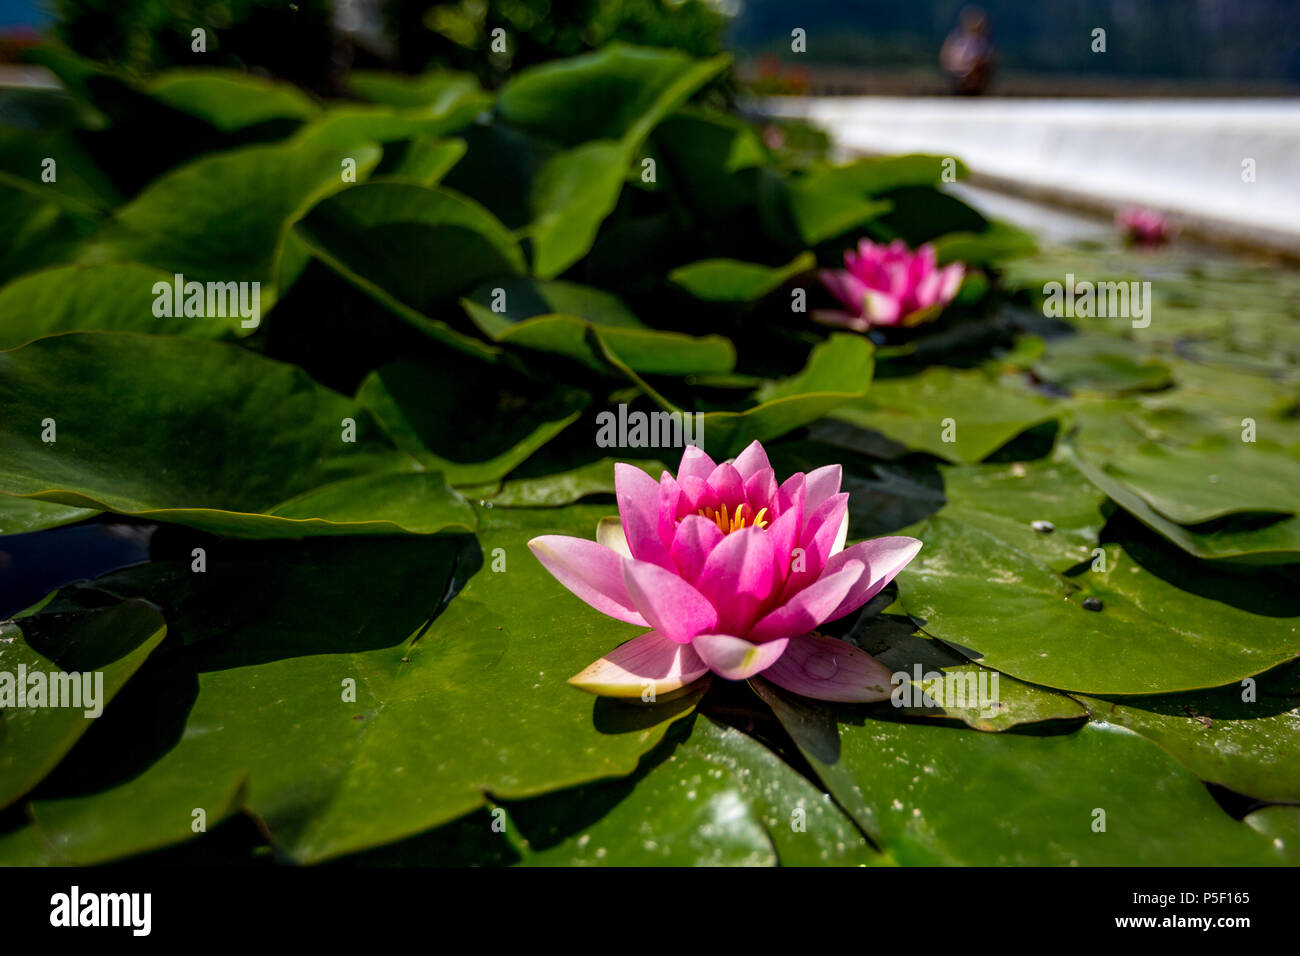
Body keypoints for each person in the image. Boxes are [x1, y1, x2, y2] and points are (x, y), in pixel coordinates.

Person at [940, 6, 995, 95]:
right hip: (958, 73)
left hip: (974, 74)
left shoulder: (983, 41)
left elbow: (987, 59)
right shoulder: (957, 38)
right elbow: (947, 56)